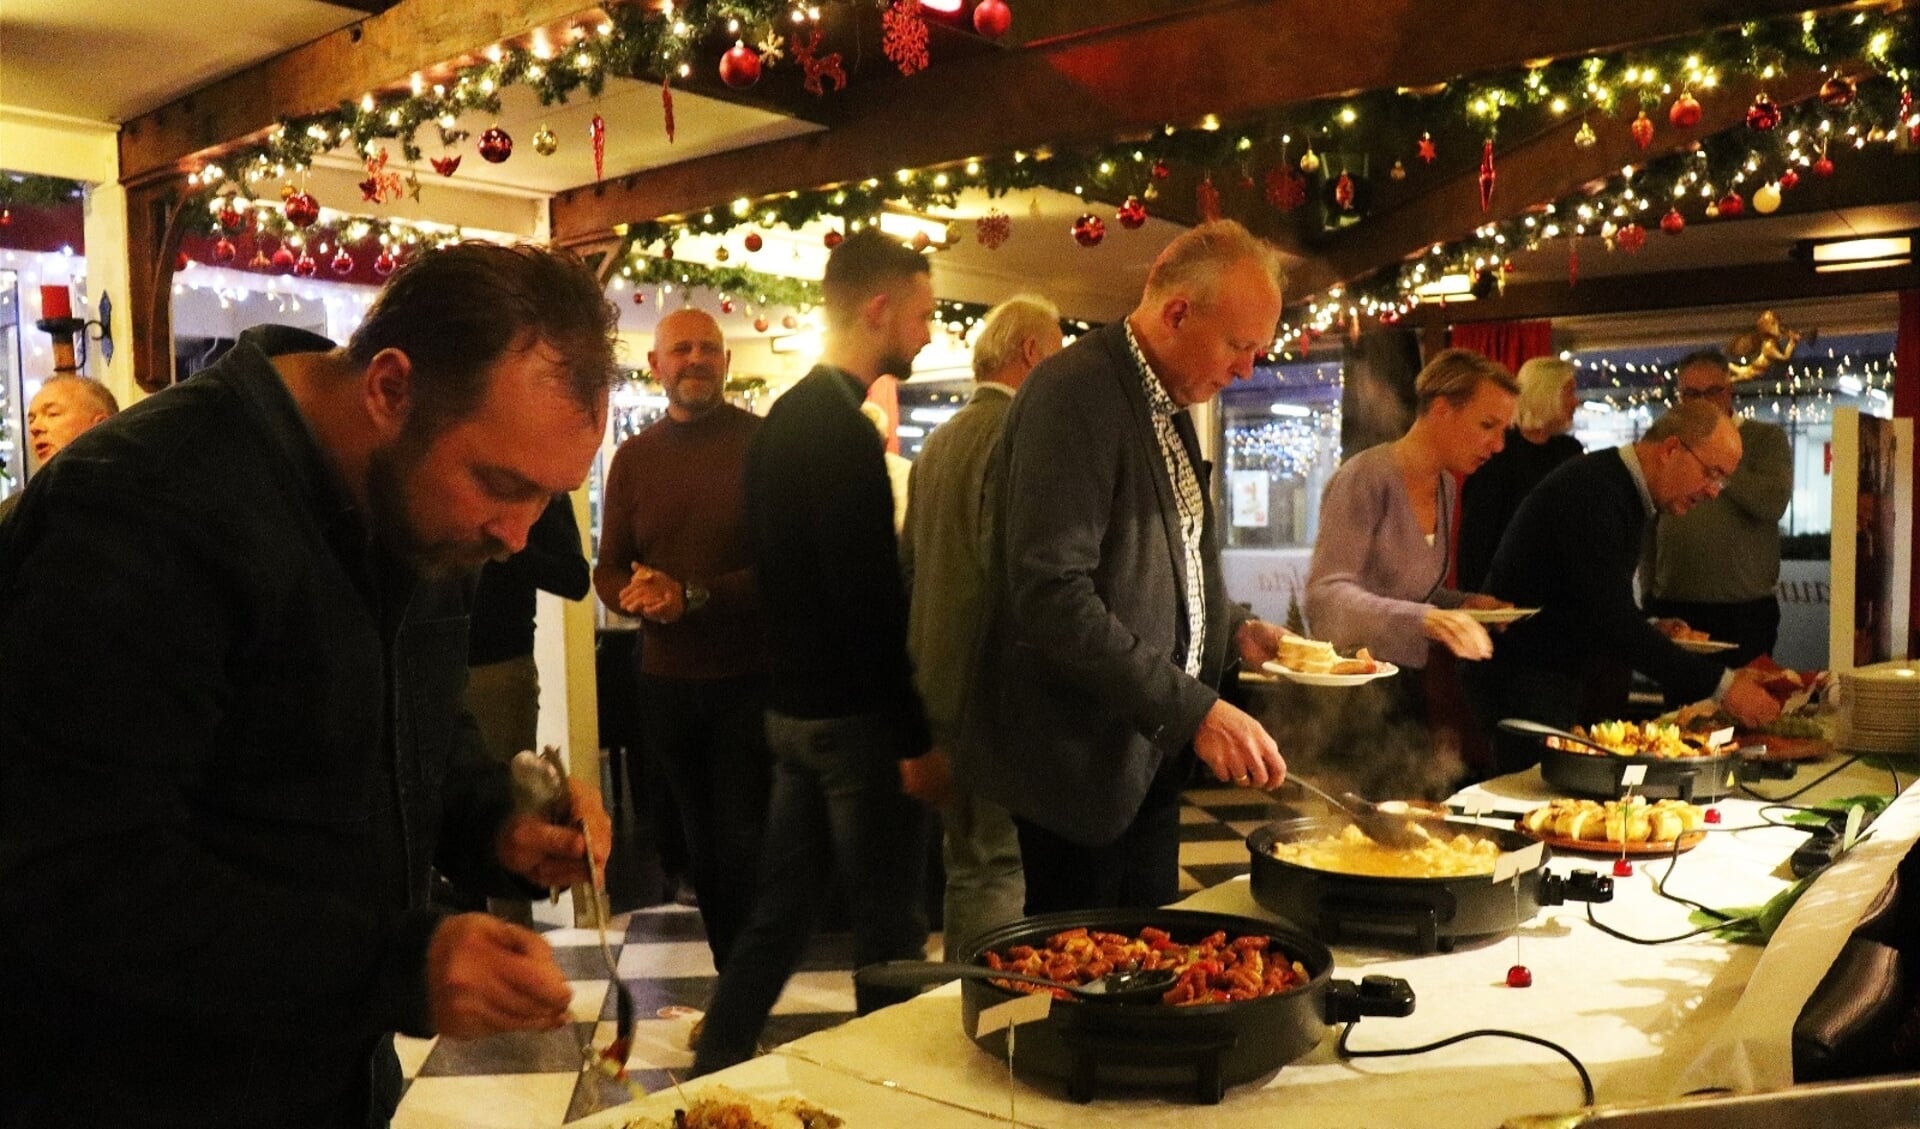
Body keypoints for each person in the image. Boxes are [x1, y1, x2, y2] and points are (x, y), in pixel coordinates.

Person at [0, 242, 617, 1128]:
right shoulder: (148, 504)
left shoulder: (417, 505)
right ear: (390, 388)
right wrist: (401, 965)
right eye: (500, 484)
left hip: (323, 1072)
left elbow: (411, 727)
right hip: (126, 1085)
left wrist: (495, 818)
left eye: (545, 500)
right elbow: (78, 870)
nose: (518, 537)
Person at [960, 220, 1295, 915]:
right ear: (1177, 312)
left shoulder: (1163, 400)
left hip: (1143, 753)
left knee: (1149, 962)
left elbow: (1161, 559)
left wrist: (1232, 631)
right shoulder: (1074, 391)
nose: (1246, 370)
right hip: (1081, 764)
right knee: (1086, 978)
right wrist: (1195, 708)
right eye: (1240, 346)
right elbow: (1051, 595)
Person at [692, 230, 945, 1076]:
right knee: (889, 930)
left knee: (783, 911)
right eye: (922, 314)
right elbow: (868, 606)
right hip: (855, 725)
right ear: (877, 309)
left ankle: (720, 1049)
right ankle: (889, 1091)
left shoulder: (780, 425)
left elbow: (781, 582)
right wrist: (915, 738)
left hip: (791, 715)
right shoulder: (842, 432)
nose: (928, 334)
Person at [1465, 400, 1782, 773]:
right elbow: (1609, 618)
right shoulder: (1595, 492)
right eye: (1711, 473)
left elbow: (1589, 600)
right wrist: (1724, 686)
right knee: (1530, 808)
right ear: (1670, 449)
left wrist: (1650, 627)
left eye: (1721, 480)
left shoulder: (1616, 486)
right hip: (1523, 679)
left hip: (1544, 675)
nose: (1714, 491)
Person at [593, 307, 769, 975]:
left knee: (743, 840)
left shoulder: (763, 444)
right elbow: (608, 566)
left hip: (750, 678)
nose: (696, 359)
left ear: (727, 362)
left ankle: (742, 988)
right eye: (681, 349)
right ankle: (733, 979)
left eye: (709, 348)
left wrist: (692, 594)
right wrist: (632, 595)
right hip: (666, 681)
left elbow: (786, 566)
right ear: (656, 366)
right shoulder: (634, 459)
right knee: (698, 843)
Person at [902, 294, 1062, 954]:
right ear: (1030, 352)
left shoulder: (937, 441)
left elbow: (909, 566)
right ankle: (990, 1014)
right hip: (993, 693)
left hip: (936, 686)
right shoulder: (1020, 434)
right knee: (998, 867)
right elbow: (1020, 582)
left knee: (967, 864)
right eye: (1055, 351)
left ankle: (960, 1004)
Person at [1306, 348, 1516, 676]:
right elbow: (1325, 596)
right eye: (1488, 425)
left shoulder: (1446, 485)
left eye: (1504, 430)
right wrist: (1427, 619)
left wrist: (1461, 605)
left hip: (1405, 680)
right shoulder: (1367, 477)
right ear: (1441, 409)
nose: (1499, 445)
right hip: (1348, 682)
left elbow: (1405, 592)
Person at [463, 493, 591, 923]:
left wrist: (509, 547)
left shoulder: (537, 478)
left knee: (509, 820)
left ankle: (510, 960)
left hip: (500, 667)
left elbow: (574, 578)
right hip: (424, 660)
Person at [1641, 351, 1793, 666]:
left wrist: (1715, 464)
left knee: (1748, 707)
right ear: (1680, 397)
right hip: (1674, 608)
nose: (1703, 401)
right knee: (1678, 713)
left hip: (1745, 611)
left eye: (1713, 391)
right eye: (1692, 394)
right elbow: (1647, 520)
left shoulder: (1765, 439)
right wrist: (1648, 594)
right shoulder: (1664, 443)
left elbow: (1772, 504)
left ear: (1730, 391)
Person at [1456, 355, 1583, 591]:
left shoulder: (1569, 452)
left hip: (1559, 595)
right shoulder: (1497, 453)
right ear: (1546, 394)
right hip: (1506, 597)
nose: (1576, 402)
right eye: (1569, 392)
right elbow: (1476, 544)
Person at [0, 373, 120, 523]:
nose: (35, 428)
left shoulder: (137, 496)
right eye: (31, 420)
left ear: (101, 425)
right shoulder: (12, 514)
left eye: (52, 414)